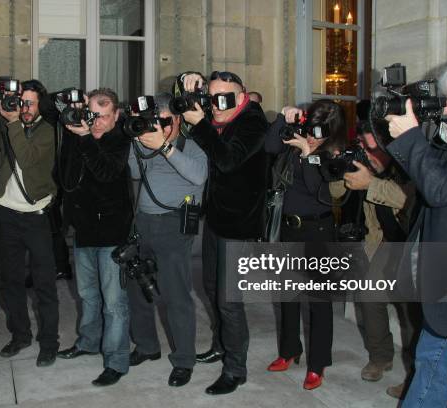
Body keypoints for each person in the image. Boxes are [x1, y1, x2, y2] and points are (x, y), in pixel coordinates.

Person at [384, 56, 447, 407]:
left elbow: (440, 192)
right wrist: (413, 129)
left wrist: (410, 137)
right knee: (430, 368)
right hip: (445, 281)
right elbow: (427, 178)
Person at [181, 70, 268, 395]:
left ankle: (236, 369)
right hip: (218, 219)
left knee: (230, 301)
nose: (216, 105)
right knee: (211, 288)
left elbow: (228, 160)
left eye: (224, 99)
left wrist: (200, 124)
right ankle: (220, 345)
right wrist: (189, 81)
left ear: (242, 94)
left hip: (240, 225)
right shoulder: (223, 117)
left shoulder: (252, 121)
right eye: (211, 97)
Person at [0, 79, 60, 367]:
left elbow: (28, 157)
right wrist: (1, 86)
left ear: (40, 105)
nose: (25, 108)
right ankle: (20, 335)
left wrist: (13, 123)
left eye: (30, 103)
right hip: (7, 216)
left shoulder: (47, 130)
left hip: (37, 218)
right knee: (11, 282)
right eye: (22, 102)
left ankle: (49, 342)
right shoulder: (4, 119)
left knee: (45, 284)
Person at [126, 93, 208, 387]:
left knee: (176, 296)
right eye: (154, 121)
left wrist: (165, 147)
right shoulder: (145, 142)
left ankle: (185, 359)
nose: (159, 127)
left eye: (164, 122)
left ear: (177, 120)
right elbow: (135, 173)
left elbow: (199, 176)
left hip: (175, 224)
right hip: (144, 222)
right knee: (137, 289)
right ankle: (147, 346)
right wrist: (139, 142)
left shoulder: (193, 145)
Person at [265, 99, 347, 390]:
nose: (313, 133)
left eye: (321, 129)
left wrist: (308, 151)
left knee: (318, 302)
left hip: (318, 231)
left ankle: (317, 364)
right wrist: (281, 119)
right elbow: (270, 148)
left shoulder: (335, 153)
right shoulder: (297, 138)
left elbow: (319, 191)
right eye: (311, 125)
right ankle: (289, 350)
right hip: (289, 227)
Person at [56, 88, 133, 387]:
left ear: (116, 115)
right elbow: (64, 177)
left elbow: (106, 172)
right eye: (92, 114)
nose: (96, 121)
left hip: (112, 234)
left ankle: (116, 361)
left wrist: (86, 138)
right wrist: (71, 137)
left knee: (114, 303)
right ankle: (89, 342)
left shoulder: (120, 140)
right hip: (82, 231)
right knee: (87, 295)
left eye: (103, 115)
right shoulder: (79, 138)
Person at [341, 122, 421, 396]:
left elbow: (407, 200)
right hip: (385, 245)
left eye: (369, 146)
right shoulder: (367, 168)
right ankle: (380, 356)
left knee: (411, 317)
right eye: (361, 145)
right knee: (369, 297)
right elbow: (335, 196)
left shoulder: (411, 164)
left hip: (415, 247)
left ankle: (415, 376)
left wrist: (371, 183)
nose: (365, 151)